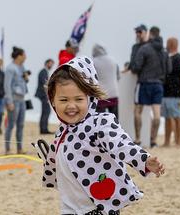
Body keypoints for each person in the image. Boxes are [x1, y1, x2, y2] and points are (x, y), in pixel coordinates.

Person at [41, 56, 165, 215]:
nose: (71, 106)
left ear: (90, 98)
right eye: (63, 99)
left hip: (98, 208)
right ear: (53, 101)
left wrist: (144, 160)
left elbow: (121, 144)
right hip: (69, 208)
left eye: (78, 99)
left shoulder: (98, 124)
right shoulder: (62, 131)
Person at [131, 26, 171, 147]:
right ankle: (153, 140)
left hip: (144, 83)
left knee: (138, 111)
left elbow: (136, 66)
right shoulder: (164, 52)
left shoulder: (144, 48)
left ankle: (138, 139)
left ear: (150, 34)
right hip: (158, 84)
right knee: (157, 114)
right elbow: (169, 69)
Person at [162, 37, 180, 148]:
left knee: (177, 116)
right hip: (165, 93)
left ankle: (179, 141)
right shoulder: (166, 57)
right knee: (167, 118)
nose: (166, 45)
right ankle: (167, 141)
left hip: (176, 93)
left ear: (173, 44)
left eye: (168, 43)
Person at [4, 46, 28, 154]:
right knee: (11, 125)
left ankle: (19, 148)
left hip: (22, 99)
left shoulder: (22, 67)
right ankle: (8, 149)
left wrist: (26, 77)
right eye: (24, 55)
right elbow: (7, 85)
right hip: (14, 99)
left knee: (21, 125)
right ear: (19, 56)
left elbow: (23, 81)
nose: (25, 57)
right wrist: (9, 102)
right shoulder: (10, 68)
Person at [92, 44, 120, 116]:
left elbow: (91, 79)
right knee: (115, 120)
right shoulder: (113, 60)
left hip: (101, 95)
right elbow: (118, 76)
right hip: (114, 93)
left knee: (100, 122)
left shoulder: (93, 62)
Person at [35, 59, 54, 135]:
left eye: (52, 64)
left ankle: (44, 129)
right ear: (46, 63)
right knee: (46, 111)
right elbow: (45, 85)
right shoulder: (43, 72)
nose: (51, 65)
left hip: (43, 94)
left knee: (45, 111)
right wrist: (47, 96)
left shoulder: (45, 71)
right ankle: (43, 129)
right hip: (43, 94)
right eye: (50, 64)